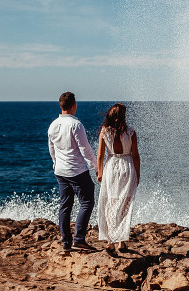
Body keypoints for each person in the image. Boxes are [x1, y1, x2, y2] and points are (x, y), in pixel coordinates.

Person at [48, 92, 98, 251]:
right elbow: (86, 150)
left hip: (60, 171)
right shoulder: (76, 125)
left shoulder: (53, 125)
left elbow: (52, 149)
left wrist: (56, 164)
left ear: (61, 105)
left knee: (65, 205)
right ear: (74, 105)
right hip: (77, 171)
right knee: (87, 201)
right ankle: (79, 239)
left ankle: (66, 242)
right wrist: (96, 167)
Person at [96, 103, 141, 254]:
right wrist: (138, 174)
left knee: (111, 204)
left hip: (111, 167)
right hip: (127, 167)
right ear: (123, 116)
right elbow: (135, 156)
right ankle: (122, 242)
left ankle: (110, 243)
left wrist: (100, 172)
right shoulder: (131, 132)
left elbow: (101, 155)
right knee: (125, 204)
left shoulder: (104, 132)